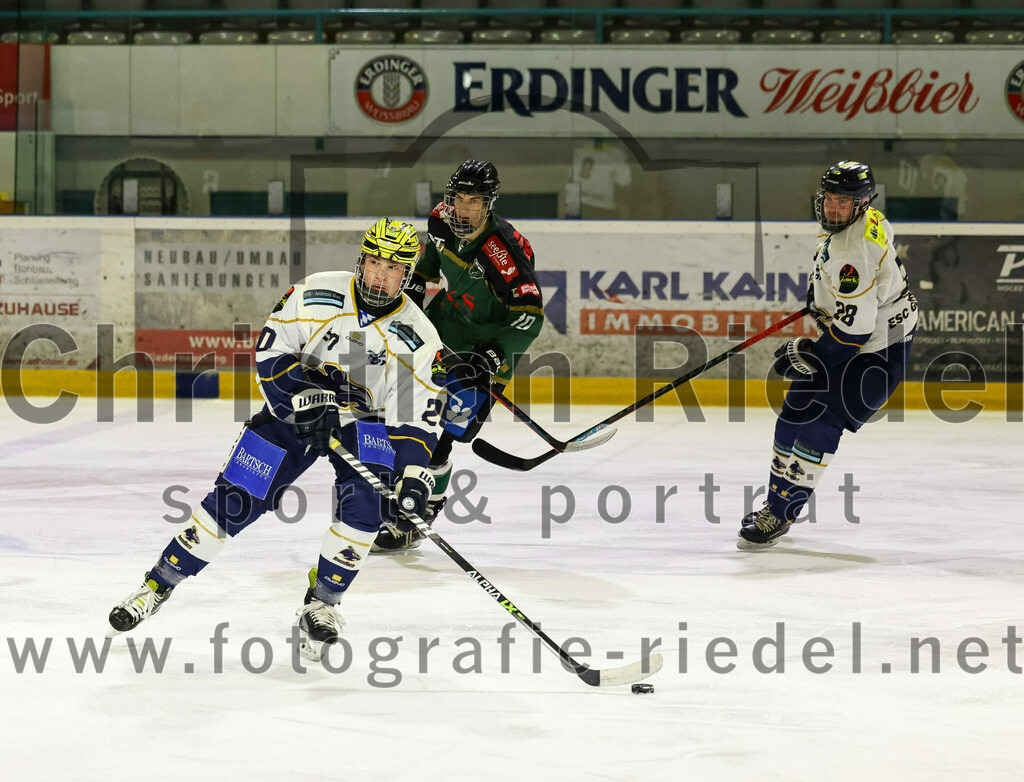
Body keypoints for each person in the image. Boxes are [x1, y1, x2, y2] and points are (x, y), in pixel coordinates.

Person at [108, 219, 446, 661]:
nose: (381, 275)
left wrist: (416, 476)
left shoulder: (419, 333)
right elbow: (270, 355)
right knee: (234, 499)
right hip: (294, 413)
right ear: (361, 260)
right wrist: (306, 402)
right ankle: (156, 585)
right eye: (375, 263)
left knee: (366, 507)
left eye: (393, 268)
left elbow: (420, 412)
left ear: (408, 274)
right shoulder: (314, 292)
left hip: (366, 424)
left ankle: (323, 603)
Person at [738, 160, 918, 550]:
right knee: (794, 409)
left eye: (844, 202)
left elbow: (856, 330)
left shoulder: (853, 249)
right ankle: (775, 503)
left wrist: (812, 354)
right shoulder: (865, 221)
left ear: (863, 202)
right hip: (856, 334)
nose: (834, 210)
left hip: (879, 348)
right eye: (830, 200)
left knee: (824, 420)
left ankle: (781, 515)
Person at [372, 159, 545, 552]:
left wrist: (491, 356)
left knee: (447, 434)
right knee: (403, 415)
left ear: (489, 205)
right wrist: (406, 312)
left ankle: (418, 515)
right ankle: (402, 496)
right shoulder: (440, 221)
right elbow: (422, 273)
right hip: (441, 332)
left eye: (473, 202)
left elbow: (529, 316)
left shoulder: (504, 253)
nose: (463, 209)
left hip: (485, 350)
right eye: (458, 199)